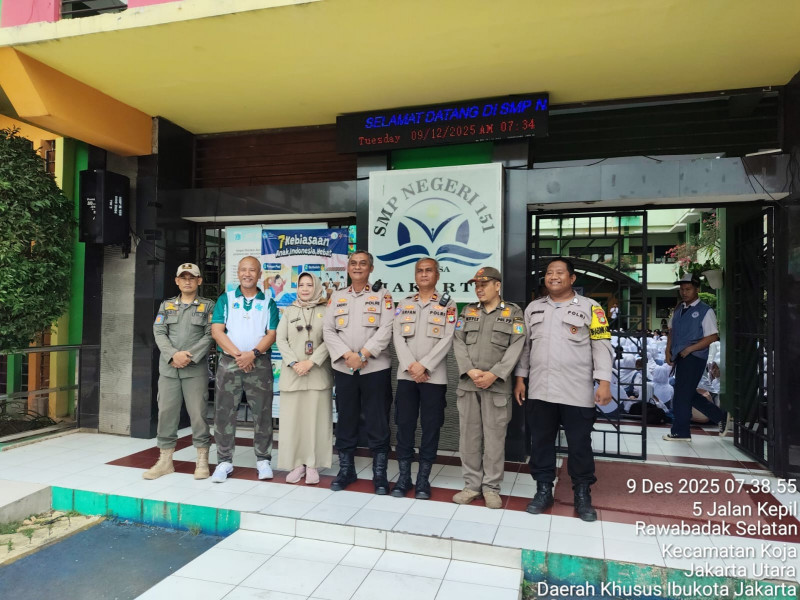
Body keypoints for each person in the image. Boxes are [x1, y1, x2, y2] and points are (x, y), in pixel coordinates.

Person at [514, 257, 614, 522]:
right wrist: (520, 378)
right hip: (540, 389)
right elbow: (525, 348)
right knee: (541, 443)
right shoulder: (533, 309)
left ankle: (582, 494)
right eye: (549, 273)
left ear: (572, 278)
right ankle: (543, 490)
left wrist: (604, 381)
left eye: (560, 272)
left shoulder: (592, 308)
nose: (553, 276)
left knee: (580, 445)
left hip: (576, 391)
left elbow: (602, 345)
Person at [452, 267, 525, 509]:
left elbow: (517, 346)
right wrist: (470, 370)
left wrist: (494, 374)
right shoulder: (468, 311)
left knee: (494, 440)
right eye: (476, 285)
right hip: (469, 384)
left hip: (497, 387)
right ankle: (472, 485)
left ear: (497, 286)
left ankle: (491, 487)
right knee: (469, 439)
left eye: (485, 284)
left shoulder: (513, 313)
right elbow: (458, 342)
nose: (479, 288)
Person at [322, 250, 394, 494]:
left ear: (371, 269)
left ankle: (380, 474)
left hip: (374, 368)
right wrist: (347, 356)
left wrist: (362, 354)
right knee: (346, 419)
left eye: (363, 263)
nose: (358, 267)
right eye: (353, 263)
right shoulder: (337, 296)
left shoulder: (382, 295)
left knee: (378, 421)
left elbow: (387, 328)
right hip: (344, 369)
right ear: (348, 268)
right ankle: (346, 470)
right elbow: (328, 330)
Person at [391, 258, 456, 499]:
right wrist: (411, 366)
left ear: (437, 275)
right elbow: (397, 336)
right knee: (404, 425)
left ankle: (423, 479)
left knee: (431, 427)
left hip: (434, 378)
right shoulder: (404, 303)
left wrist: (425, 366)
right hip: (407, 376)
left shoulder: (448, 304)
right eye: (420, 271)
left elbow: (447, 338)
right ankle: (404, 477)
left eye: (429, 271)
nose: (424, 274)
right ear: (415, 276)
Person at [210, 256, 280, 483]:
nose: (247, 274)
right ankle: (224, 461)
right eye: (243, 270)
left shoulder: (268, 301)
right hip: (229, 362)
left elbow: (272, 333)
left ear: (260, 274)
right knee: (224, 412)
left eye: (252, 270)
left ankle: (263, 460)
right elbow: (217, 331)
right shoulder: (226, 299)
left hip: (259, 363)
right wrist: (240, 355)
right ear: (237, 273)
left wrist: (253, 354)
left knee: (262, 413)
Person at [145, 263, 215, 480]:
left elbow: (210, 334)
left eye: (192, 277)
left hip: (195, 371)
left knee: (198, 415)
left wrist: (188, 356)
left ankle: (202, 459)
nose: (187, 281)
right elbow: (159, 331)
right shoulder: (167, 306)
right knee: (166, 414)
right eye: (183, 277)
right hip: (169, 370)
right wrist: (173, 355)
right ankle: (165, 460)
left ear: (199, 281)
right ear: (176, 281)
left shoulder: (208, 306)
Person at [275, 272, 333, 485]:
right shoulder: (289, 311)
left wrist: (311, 362)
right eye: (301, 285)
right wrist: (293, 363)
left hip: (317, 375)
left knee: (316, 422)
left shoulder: (326, 311)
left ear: (317, 287)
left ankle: (313, 464)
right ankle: (297, 464)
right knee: (294, 422)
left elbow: (330, 340)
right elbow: (280, 339)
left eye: (310, 285)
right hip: (293, 375)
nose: (305, 289)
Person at [664, 272, 726, 441]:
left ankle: (681, 432)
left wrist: (690, 349)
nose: (684, 292)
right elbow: (671, 331)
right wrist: (667, 350)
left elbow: (712, 336)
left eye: (688, 289)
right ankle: (721, 417)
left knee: (681, 395)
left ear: (697, 289)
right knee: (687, 393)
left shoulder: (706, 311)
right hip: (680, 356)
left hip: (695, 357)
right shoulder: (678, 309)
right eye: (682, 289)